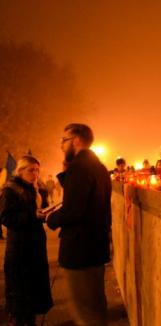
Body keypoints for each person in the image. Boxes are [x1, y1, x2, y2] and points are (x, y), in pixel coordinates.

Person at [46, 123, 112, 325]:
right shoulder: (99, 167)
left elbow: (74, 210)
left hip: (80, 250)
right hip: (95, 248)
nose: (61, 146)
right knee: (96, 306)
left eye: (63, 141)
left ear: (75, 140)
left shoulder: (80, 167)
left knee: (86, 311)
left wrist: (51, 219)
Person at [0, 155, 53, 325]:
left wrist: (46, 212)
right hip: (20, 248)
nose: (35, 173)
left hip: (35, 245)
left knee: (33, 293)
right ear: (21, 171)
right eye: (31, 170)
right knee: (20, 293)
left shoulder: (35, 188)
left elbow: (39, 210)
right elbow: (6, 217)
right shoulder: (10, 190)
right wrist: (32, 216)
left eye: (37, 170)